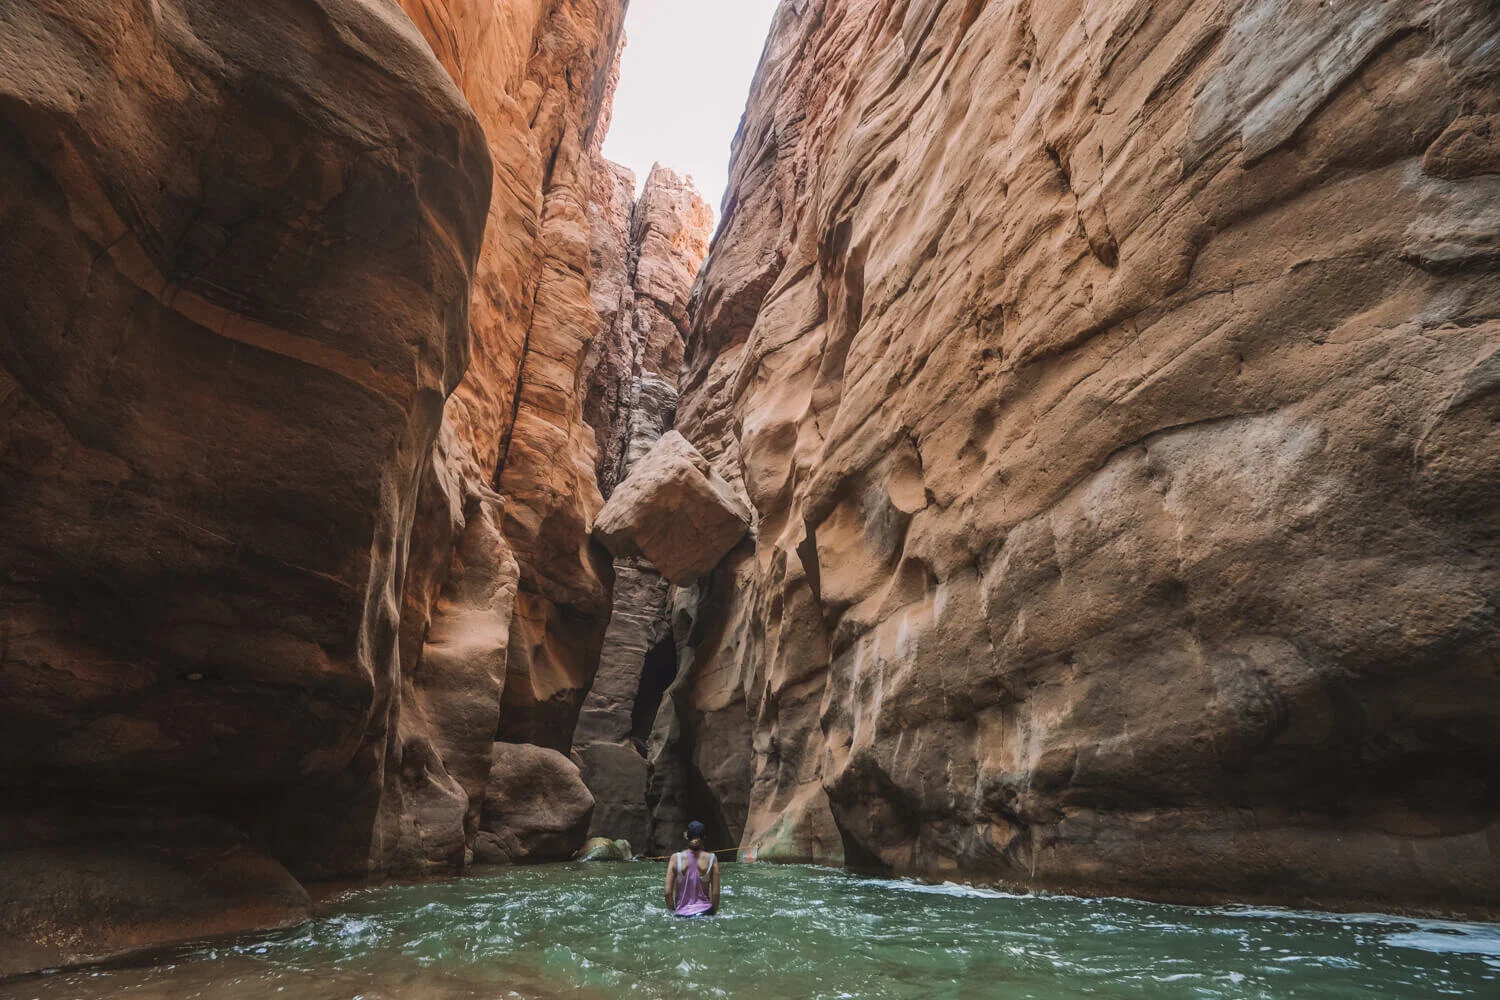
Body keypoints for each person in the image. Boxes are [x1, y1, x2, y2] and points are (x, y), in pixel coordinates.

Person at [664, 820, 720, 917]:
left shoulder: (675, 858)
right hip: (705, 913)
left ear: (687, 837)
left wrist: (674, 912)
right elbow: (716, 894)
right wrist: (713, 913)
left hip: (682, 914)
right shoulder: (711, 858)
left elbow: (668, 893)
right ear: (704, 837)